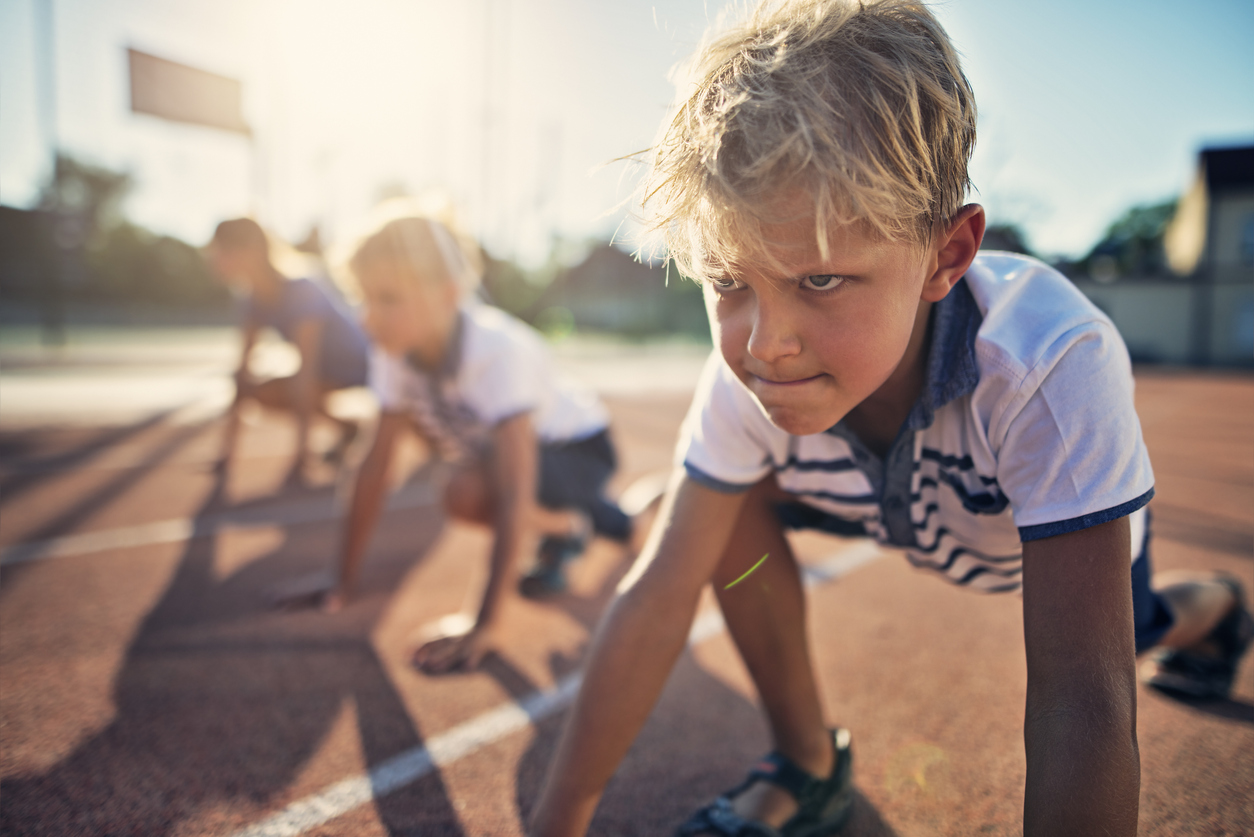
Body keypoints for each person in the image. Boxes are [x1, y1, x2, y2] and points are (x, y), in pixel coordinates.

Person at [528, 2, 1254, 835]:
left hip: (1035, 545)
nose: (767, 346)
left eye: (823, 279)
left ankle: (1216, 608)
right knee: (706, 513)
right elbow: (659, 594)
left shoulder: (1050, 364)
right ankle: (805, 760)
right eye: (728, 280)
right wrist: (559, 818)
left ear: (946, 255)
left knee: (1130, 637)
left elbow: (1083, 703)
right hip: (870, 501)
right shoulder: (747, 378)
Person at [322, 213, 638, 673]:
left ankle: (589, 521)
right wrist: (341, 580)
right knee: (469, 487)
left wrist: (484, 621)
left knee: (470, 488)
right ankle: (569, 527)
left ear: (449, 292)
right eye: (363, 298)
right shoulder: (396, 347)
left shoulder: (495, 351)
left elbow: (514, 489)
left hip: (580, 450)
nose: (368, 317)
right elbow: (375, 464)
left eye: (388, 298)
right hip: (518, 464)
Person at [207, 218, 369, 487]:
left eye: (222, 251)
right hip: (326, 371)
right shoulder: (252, 300)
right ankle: (348, 427)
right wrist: (226, 455)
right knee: (251, 390)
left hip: (364, 364)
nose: (214, 259)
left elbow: (306, 371)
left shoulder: (301, 289)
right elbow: (242, 373)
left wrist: (300, 457)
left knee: (423, 431)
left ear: (251, 251)